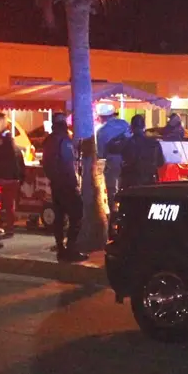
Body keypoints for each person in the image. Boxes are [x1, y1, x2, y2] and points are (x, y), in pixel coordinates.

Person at [42, 113, 88, 263]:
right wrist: (74, 184)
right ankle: (71, 249)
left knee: (59, 217)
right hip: (66, 184)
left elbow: (46, 164)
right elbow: (68, 164)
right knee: (77, 214)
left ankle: (61, 249)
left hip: (55, 184)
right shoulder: (64, 140)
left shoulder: (49, 140)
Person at [0, 112, 25, 236]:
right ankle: (10, 226)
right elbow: (21, 166)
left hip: (2, 180)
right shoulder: (17, 150)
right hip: (14, 181)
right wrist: (21, 179)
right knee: (10, 205)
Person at [95, 103, 130, 213]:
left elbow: (101, 153)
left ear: (101, 117)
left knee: (111, 189)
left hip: (112, 161)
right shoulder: (124, 124)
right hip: (128, 160)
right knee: (125, 185)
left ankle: (113, 211)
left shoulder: (101, 131)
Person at [120, 114, 165, 189]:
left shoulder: (126, 143)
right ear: (144, 126)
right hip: (149, 181)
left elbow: (123, 161)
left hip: (131, 182)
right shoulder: (154, 143)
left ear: (131, 127)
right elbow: (160, 163)